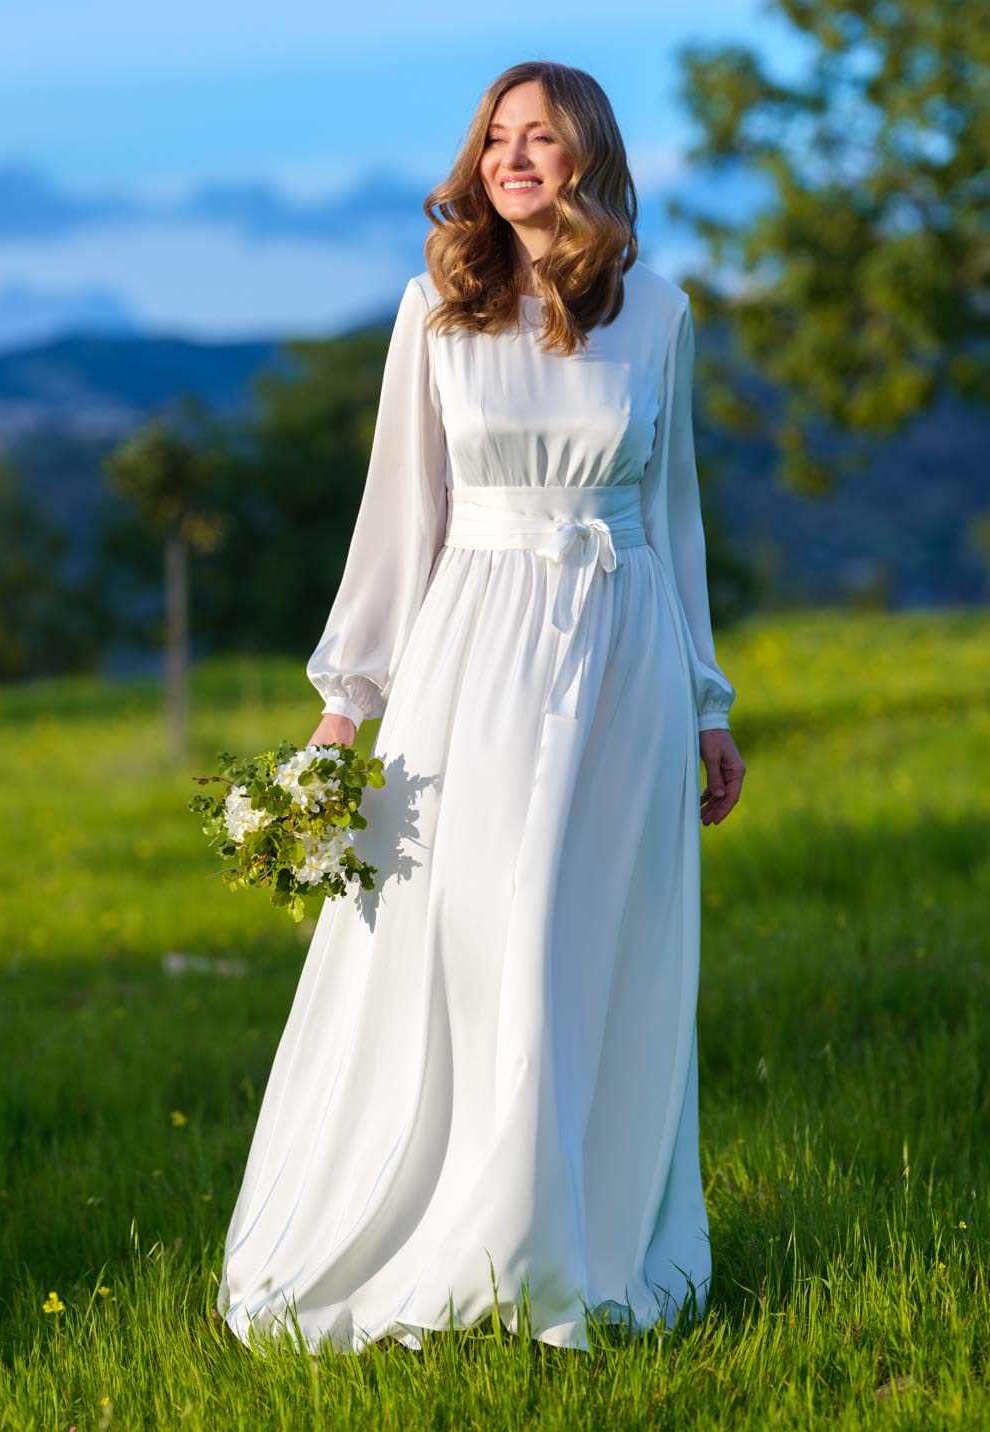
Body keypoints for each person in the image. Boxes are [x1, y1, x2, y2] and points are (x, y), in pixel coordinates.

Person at [217, 59, 747, 1357]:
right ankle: (458, 1247)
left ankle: (570, 1252)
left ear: (589, 156)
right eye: (496, 139)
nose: (514, 159)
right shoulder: (435, 307)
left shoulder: (661, 312)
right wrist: (346, 711)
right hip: (474, 656)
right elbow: (401, 520)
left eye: (542, 138)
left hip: (620, 658)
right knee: (471, 938)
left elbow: (672, 520)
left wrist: (705, 705)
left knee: (581, 950)